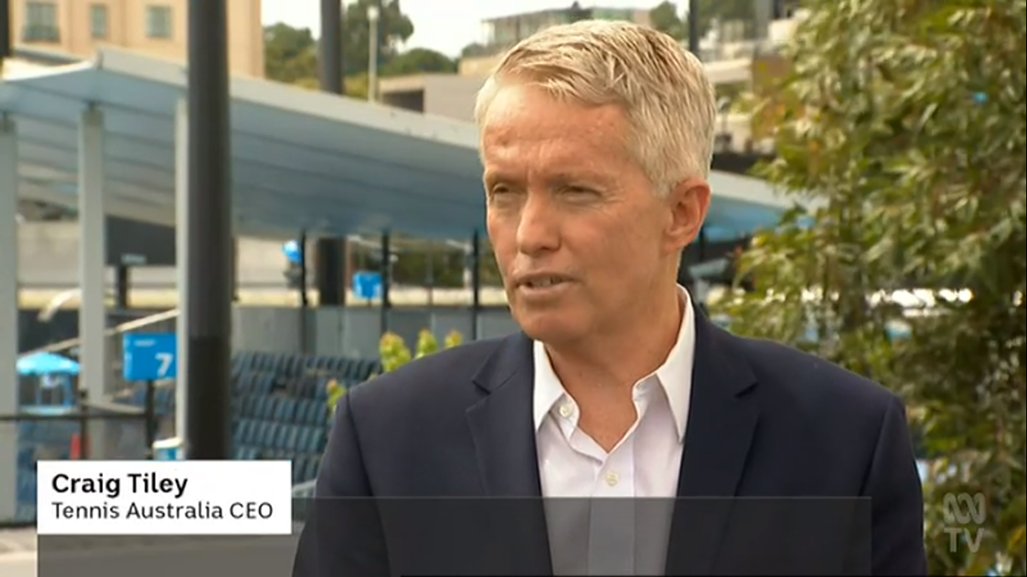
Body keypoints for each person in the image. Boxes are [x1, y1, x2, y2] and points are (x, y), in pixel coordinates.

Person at [293, 20, 926, 576]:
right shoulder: (385, 440)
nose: (531, 235)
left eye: (575, 191)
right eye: (505, 191)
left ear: (681, 212)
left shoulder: (846, 442)